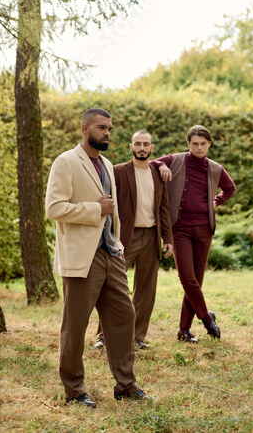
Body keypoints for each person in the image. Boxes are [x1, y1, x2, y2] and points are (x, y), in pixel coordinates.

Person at [45, 108, 148, 409]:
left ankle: (126, 385)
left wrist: (115, 243)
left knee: (123, 316)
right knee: (75, 325)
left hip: (109, 253)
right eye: (102, 128)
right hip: (81, 256)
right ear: (84, 128)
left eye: (110, 129)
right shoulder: (65, 162)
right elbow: (54, 208)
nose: (107, 133)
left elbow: (111, 210)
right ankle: (74, 390)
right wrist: (94, 209)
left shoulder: (106, 163)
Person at [151, 125, 236, 343]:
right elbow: (152, 163)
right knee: (187, 278)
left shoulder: (216, 168)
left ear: (209, 144)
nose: (199, 147)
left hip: (204, 230)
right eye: (195, 143)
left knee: (196, 280)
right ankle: (207, 319)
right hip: (179, 228)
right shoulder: (176, 159)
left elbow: (230, 188)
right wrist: (161, 166)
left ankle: (184, 330)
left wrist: (216, 201)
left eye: (203, 143)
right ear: (188, 143)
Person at [95, 130, 174, 350]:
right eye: (137, 143)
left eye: (145, 144)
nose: (141, 147)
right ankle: (103, 336)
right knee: (113, 286)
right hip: (124, 237)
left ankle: (137, 336)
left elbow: (164, 207)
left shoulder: (160, 174)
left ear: (152, 148)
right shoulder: (118, 171)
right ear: (131, 147)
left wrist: (168, 237)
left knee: (146, 290)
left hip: (151, 236)